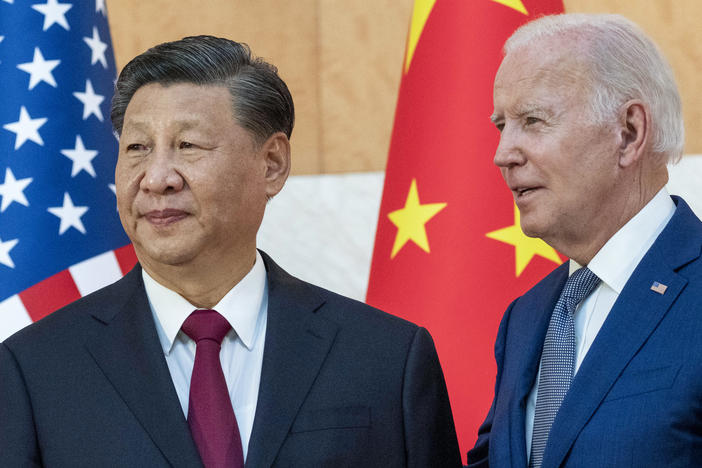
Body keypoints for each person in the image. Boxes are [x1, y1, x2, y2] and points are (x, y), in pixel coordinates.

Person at [0, 36, 461, 467]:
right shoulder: (34, 370)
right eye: (137, 147)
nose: (157, 177)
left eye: (188, 145)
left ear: (272, 164)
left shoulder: (386, 357)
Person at [467, 13, 702, 468]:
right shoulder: (526, 315)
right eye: (502, 125)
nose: (502, 155)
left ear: (628, 133)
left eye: (533, 120)